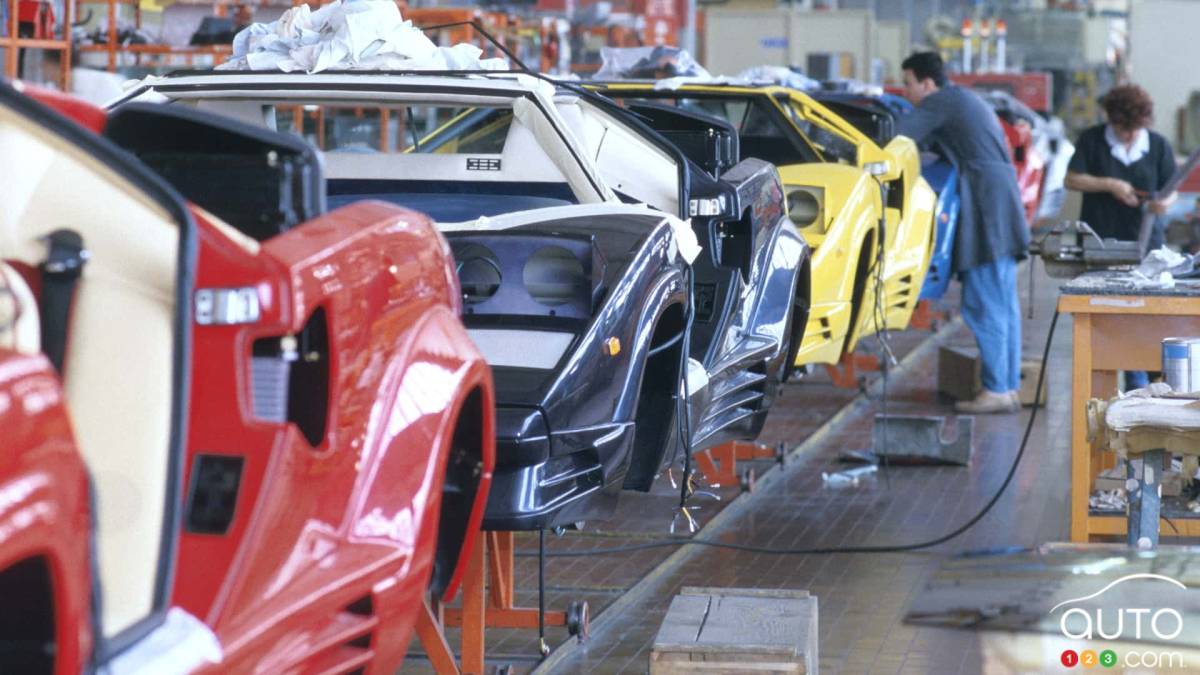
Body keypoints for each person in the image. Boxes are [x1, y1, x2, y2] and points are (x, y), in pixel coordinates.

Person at [898, 52, 1029, 414]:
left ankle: (997, 390)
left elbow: (896, 138)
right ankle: (1006, 386)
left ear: (927, 83)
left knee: (984, 302)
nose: (906, 91)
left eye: (908, 84)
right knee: (1002, 302)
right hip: (1000, 201)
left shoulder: (941, 101)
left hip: (986, 206)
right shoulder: (963, 99)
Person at [1064, 84, 1177, 390]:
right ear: (1111, 120)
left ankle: (1142, 387)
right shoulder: (1092, 140)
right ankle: (1108, 389)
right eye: (1123, 130)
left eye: (1134, 131)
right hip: (1101, 245)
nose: (1128, 136)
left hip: (1146, 248)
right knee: (1108, 320)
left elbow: (1171, 189)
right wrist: (1110, 184)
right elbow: (1072, 179)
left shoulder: (1157, 146)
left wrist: (1163, 203)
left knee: (1145, 321)